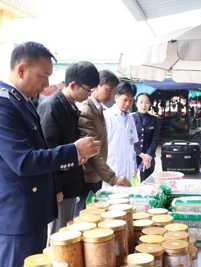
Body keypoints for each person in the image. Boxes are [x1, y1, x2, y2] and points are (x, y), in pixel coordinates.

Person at [0, 42, 100, 267]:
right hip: (17, 216)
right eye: (43, 76)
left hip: (31, 211)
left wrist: (74, 156)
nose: (47, 84)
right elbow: (24, 161)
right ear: (22, 70)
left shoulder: (22, 102)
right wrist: (73, 151)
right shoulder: (4, 105)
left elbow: (40, 151)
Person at [37, 61, 100, 234]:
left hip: (71, 180)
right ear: (73, 85)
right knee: (60, 233)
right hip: (60, 186)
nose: (88, 96)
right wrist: (56, 188)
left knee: (68, 227)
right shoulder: (51, 107)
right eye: (87, 90)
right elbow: (48, 151)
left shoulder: (71, 105)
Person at [77, 70, 130, 211]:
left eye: (113, 91)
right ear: (96, 86)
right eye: (108, 90)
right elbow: (91, 152)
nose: (111, 95)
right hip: (89, 176)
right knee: (86, 215)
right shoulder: (87, 110)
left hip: (97, 175)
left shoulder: (99, 109)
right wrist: (113, 178)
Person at [104, 82, 138, 186]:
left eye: (131, 100)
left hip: (128, 171)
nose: (128, 103)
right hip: (112, 170)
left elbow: (132, 144)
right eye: (125, 100)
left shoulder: (130, 118)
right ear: (116, 98)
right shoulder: (107, 117)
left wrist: (134, 167)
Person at [134, 93, 161, 181]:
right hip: (133, 155)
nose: (144, 105)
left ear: (150, 104)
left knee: (147, 182)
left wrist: (148, 155)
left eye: (146, 102)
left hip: (149, 156)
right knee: (131, 182)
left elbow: (155, 139)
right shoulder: (130, 118)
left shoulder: (155, 120)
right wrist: (140, 154)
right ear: (136, 103)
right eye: (141, 102)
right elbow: (128, 140)